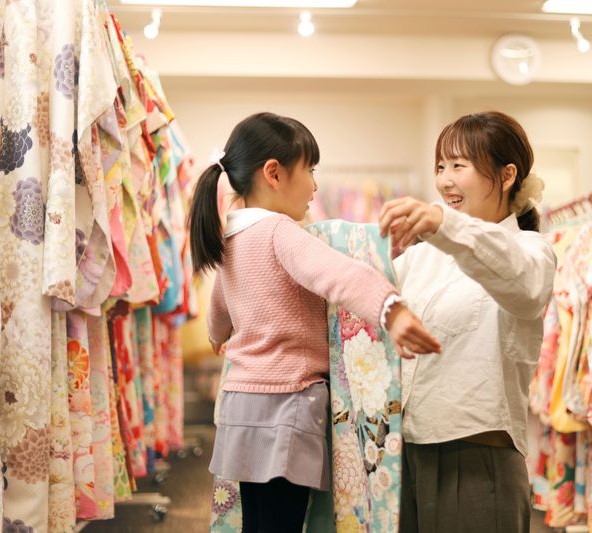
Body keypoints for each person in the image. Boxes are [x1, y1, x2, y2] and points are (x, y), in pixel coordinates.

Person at [188, 112, 440, 533]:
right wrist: (391, 310)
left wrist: (218, 338)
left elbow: (219, 310)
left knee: (258, 521)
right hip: (286, 401)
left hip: (240, 403)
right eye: (310, 170)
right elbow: (338, 275)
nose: (315, 187)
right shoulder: (280, 232)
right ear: (274, 173)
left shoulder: (230, 239)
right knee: (283, 523)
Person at [378, 111, 556, 533]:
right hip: (405, 454)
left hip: (477, 456)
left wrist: (447, 226)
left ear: (507, 175)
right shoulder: (420, 257)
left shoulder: (531, 249)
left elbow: (522, 283)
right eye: (440, 167)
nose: (445, 181)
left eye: (459, 166)